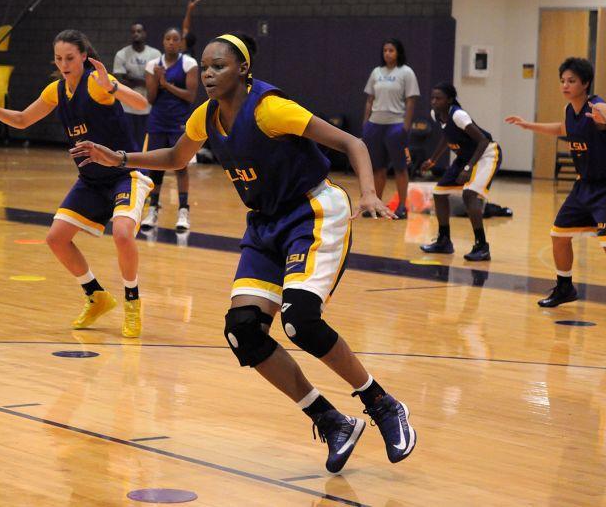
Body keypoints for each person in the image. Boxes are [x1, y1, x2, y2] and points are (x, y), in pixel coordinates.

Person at [71, 33, 417, 473]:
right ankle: (332, 422)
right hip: (265, 224)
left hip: (311, 211)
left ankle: (383, 404)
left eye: (220, 66)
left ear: (243, 70)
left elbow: (354, 143)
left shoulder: (271, 109)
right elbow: (178, 157)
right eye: (207, 67)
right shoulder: (206, 117)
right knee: (243, 331)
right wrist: (119, 158)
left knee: (300, 321)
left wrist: (368, 193)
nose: (210, 74)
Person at [0, 29, 154, 337]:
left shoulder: (97, 85)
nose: (64, 64)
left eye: (70, 57)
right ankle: (96, 296)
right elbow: (21, 120)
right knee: (56, 238)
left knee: (122, 233)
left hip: (125, 173)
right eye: (59, 59)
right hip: (91, 180)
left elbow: (141, 102)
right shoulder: (55, 91)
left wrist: (113, 87)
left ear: (84, 56)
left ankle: (132, 302)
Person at [506, 57, 606, 321]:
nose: (565, 85)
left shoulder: (597, 106)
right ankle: (565, 287)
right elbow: (562, 129)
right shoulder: (570, 109)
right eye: (563, 81)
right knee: (558, 235)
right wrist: (528, 125)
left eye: (572, 81)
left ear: (585, 83)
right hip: (584, 184)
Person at [420, 83, 502, 261]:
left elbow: (482, 141)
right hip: (466, 157)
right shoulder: (436, 115)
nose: (434, 102)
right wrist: (432, 160)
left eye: (438, 98)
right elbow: (447, 137)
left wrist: (468, 167)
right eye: (432, 98)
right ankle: (444, 241)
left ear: (449, 100)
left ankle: (482, 246)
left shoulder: (458, 115)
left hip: (487, 154)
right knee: (439, 193)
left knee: (469, 194)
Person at [141, 27, 199, 232]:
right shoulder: (152, 65)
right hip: (157, 121)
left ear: (181, 43)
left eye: (176, 39)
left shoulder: (189, 64)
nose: (172, 42)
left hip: (179, 123)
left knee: (180, 167)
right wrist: (158, 81)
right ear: (163, 42)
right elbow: (151, 98)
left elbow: (190, 96)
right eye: (168, 38)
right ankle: (153, 209)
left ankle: (183, 211)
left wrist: (166, 83)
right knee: (155, 168)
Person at [362, 38, 419, 219]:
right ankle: (377, 205)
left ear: (398, 52)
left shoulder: (406, 72)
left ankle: (402, 206)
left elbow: (411, 100)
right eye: (385, 50)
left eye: (391, 50)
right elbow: (370, 99)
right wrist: (366, 123)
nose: (387, 53)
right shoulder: (376, 72)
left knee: (400, 168)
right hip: (375, 125)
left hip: (395, 125)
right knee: (378, 168)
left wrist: (406, 126)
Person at [113, 22, 162, 151]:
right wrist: (146, 80)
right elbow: (118, 81)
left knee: (144, 142)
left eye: (139, 31)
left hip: (148, 106)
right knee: (127, 140)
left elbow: (158, 81)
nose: (136, 34)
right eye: (133, 31)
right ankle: (130, 169)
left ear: (145, 34)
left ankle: (143, 170)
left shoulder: (155, 54)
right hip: (126, 106)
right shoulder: (121, 54)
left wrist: (131, 78)